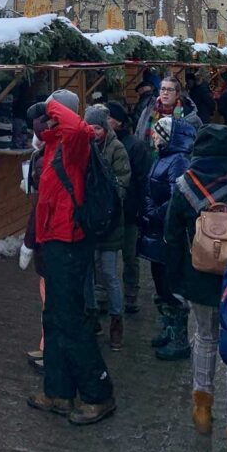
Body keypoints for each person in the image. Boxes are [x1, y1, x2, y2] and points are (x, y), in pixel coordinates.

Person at [165, 125, 227, 452]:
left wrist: (175, 282)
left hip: (198, 277)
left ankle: (202, 406)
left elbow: (172, 236)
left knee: (203, 338)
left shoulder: (185, 185)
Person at [27, 90, 116, 426]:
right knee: (53, 318)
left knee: (71, 320)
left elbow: (79, 129)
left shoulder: (75, 145)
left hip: (70, 243)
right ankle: (58, 391)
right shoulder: (52, 145)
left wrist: (50, 103)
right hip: (53, 242)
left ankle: (98, 394)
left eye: (50, 115)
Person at [138, 116, 196, 361]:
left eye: (158, 132)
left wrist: (154, 212)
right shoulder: (162, 157)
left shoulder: (178, 160)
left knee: (171, 286)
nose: (153, 135)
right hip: (155, 230)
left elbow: (176, 197)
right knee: (160, 283)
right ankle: (168, 327)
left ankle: (179, 337)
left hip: (166, 231)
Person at [83, 105, 131, 350]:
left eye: (98, 127)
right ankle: (92, 317)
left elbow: (124, 179)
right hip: (90, 222)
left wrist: (109, 202)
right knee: (89, 273)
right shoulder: (84, 147)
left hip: (111, 222)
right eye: (90, 127)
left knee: (110, 274)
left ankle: (116, 321)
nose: (94, 131)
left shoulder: (117, 149)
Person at [106, 101, 152, 314]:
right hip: (109, 211)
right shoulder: (103, 143)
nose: (106, 121)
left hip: (129, 209)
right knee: (106, 255)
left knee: (129, 255)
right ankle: (109, 294)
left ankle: (131, 294)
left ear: (120, 121)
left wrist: (140, 209)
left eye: (109, 117)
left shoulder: (135, 145)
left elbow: (142, 180)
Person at [20, 106, 48, 369]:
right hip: (55, 240)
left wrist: (29, 242)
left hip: (49, 240)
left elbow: (40, 207)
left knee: (49, 297)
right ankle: (45, 346)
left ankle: (49, 350)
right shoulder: (45, 155)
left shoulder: (44, 159)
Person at [135, 74, 202, 143]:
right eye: (163, 89)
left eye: (170, 90)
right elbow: (138, 132)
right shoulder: (149, 110)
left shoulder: (189, 115)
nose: (165, 93)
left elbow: (198, 143)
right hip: (150, 152)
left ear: (177, 94)